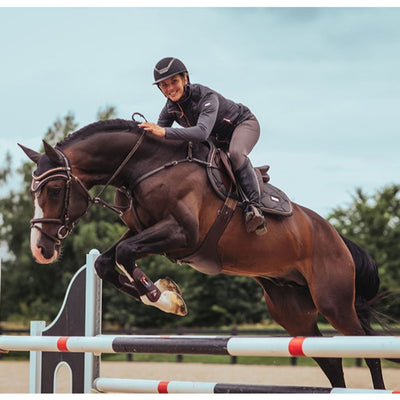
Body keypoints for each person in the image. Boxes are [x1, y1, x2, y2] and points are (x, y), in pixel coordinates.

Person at [139, 57, 267, 236]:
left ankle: (254, 208)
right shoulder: (169, 108)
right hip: (216, 138)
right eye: (164, 85)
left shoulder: (206, 97)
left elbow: (201, 133)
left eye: (174, 81)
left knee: (236, 154)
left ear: (185, 79)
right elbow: (159, 140)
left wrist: (164, 132)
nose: (170, 89)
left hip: (243, 125)